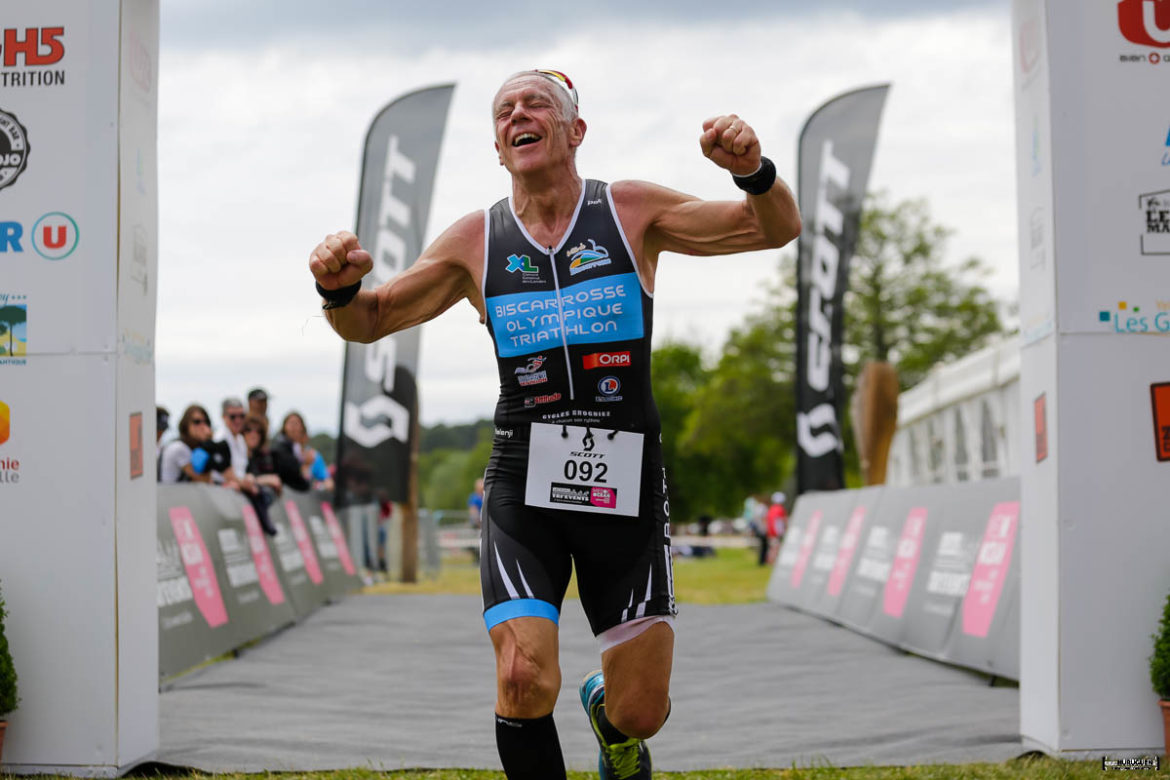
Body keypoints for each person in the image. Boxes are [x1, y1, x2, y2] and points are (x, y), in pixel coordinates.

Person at [308, 69, 800, 780]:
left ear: (575, 131)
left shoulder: (628, 211)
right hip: (521, 482)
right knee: (521, 675)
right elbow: (372, 319)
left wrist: (753, 172)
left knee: (642, 710)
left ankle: (612, 720)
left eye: (537, 103)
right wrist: (337, 288)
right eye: (504, 111)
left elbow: (773, 229)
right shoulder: (477, 240)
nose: (519, 115)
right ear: (498, 147)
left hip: (624, 483)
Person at [243, 413, 283, 535]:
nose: (253, 434)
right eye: (249, 430)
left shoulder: (260, 456)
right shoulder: (232, 451)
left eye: (258, 431)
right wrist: (265, 480)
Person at [158, 404, 214, 483]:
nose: (202, 426)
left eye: (206, 422)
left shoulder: (193, 448)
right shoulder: (179, 448)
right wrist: (208, 441)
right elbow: (204, 480)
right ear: (186, 425)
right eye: (197, 422)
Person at [214, 397, 250, 483]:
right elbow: (224, 475)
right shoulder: (219, 440)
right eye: (233, 417)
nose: (238, 420)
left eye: (242, 416)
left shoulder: (240, 439)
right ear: (223, 417)